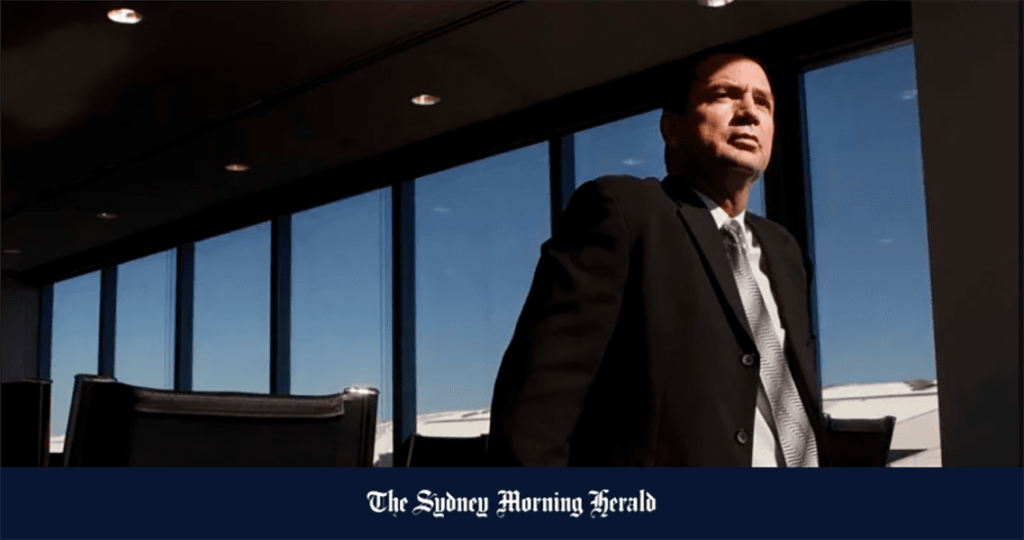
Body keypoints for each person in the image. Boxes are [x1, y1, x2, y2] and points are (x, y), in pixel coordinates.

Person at [486, 50, 828, 467]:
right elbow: (535, 413)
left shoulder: (784, 250)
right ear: (672, 128)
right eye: (724, 95)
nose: (749, 113)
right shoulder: (623, 211)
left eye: (763, 102)